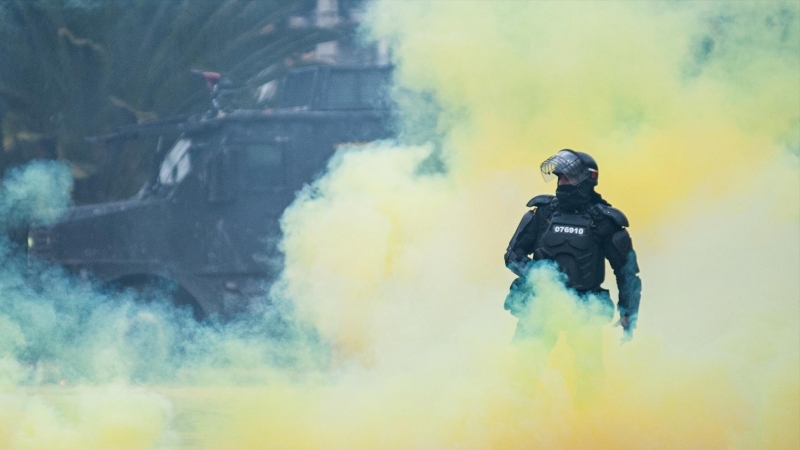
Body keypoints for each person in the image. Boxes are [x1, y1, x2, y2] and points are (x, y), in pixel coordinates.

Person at [503, 149, 642, 396]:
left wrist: (628, 311)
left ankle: (586, 429)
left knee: (588, 380)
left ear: (587, 180)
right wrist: (539, 275)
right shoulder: (544, 212)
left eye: (568, 178)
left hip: (584, 307)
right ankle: (512, 426)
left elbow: (626, 272)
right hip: (542, 303)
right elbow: (513, 255)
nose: (562, 183)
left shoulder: (604, 220)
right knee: (523, 373)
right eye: (560, 178)